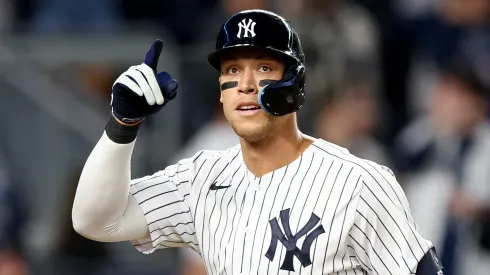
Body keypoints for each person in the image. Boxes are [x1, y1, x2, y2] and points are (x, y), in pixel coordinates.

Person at [72, 9, 443, 274]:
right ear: (221, 91)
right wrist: (123, 124)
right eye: (232, 70)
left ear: (295, 85)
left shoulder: (360, 182)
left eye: (264, 68)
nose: (245, 84)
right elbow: (95, 220)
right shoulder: (201, 178)